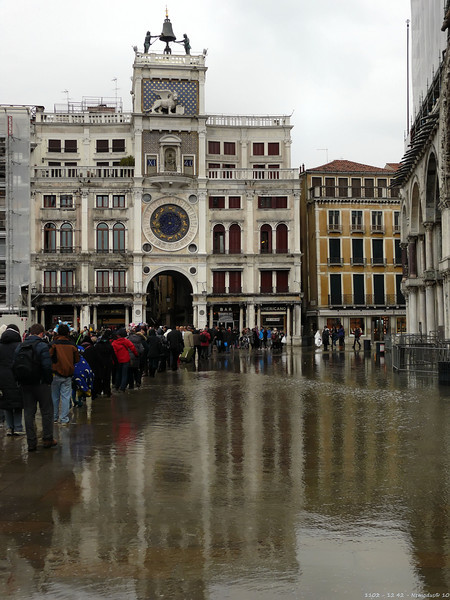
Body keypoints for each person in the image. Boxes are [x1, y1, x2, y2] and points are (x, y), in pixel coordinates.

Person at [15, 323, 57, 452]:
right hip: (41, 383)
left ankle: (31, 442)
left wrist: (19, 381)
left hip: (25, 384)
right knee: (46, 411)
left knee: (28, 412)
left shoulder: (19, 346)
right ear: (41, 333)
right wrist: (48, 380)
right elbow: (46, 366)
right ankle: (47, 439)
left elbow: (14, 365)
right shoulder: (42, 346)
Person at [49, 323, 80, 425]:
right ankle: (64, 419)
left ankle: (54, 417)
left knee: (55, 396)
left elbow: (49, 357)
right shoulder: (72, 345)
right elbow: (77, 359)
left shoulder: (53, 344)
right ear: (68, 333)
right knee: (66, 397)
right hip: (68, 373)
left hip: (55, 373)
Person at [0, 324, 25, 436]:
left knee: (6, 403)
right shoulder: (20, 346)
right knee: (18, 403)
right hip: (17, 377)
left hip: (3, 378)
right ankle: (18, 427)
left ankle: (9, 428)